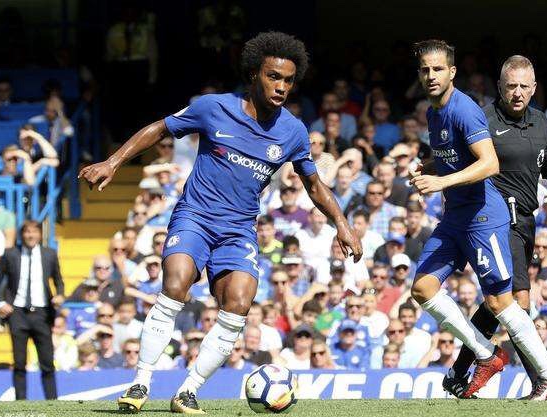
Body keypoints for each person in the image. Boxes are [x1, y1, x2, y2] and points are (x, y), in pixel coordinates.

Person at [80, 31, 362, 414]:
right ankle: (139, 383)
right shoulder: (213, 107)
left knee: (239, 304)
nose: (281, 87)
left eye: (288, 80)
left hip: (239, 230)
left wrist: (342, 224)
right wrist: (113, 162)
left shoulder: (293, 131)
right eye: (273, 77)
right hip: (195, 217)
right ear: (254, 74)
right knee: (176, 284)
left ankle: (188, 391)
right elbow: (160, 128)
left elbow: (313, 184)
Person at [408, 41, 547, 400]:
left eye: (438, 69)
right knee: (423, 289)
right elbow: (455, 157)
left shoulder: (465, 110)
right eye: (425, 69)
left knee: (500, 302)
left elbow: (489, 164)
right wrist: (428, 168)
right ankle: (485, 354)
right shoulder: (434, 112)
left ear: (452, 72)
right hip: (455, 217)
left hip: (483, 217)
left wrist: (441, 182)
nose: (431, 75)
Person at [0, 220, 64, 400]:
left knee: (47, 362)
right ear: (22, 234)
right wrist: (1, 303)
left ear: (40, 234)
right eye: (27, 232)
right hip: (17, 313)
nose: (31, 235)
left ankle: (52, 401)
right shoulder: (11, 254)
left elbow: (58, 281)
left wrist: (60, 295)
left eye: (34, 232)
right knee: (19, 362)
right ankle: (21, 402)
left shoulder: (49, 254)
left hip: (42, 313)